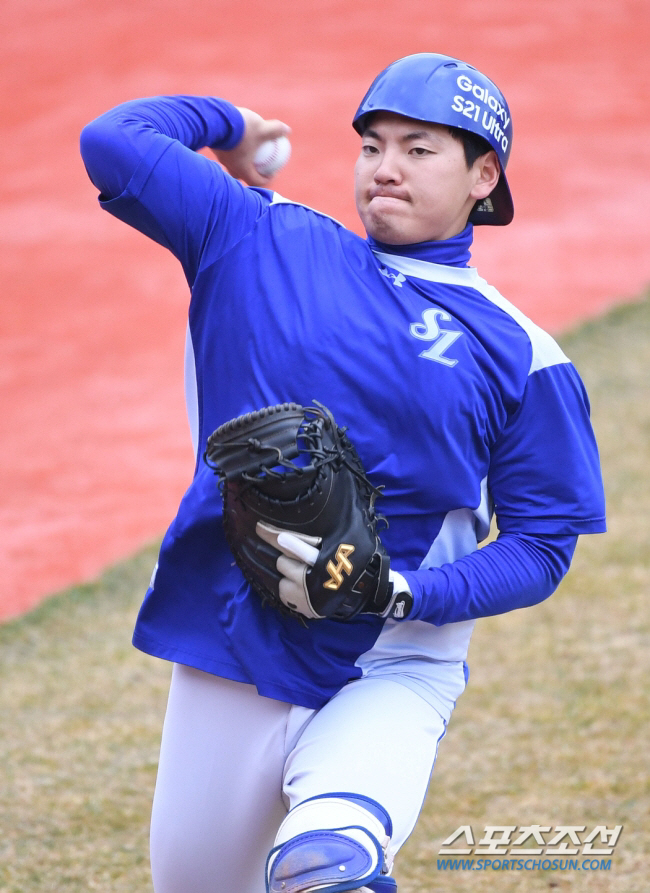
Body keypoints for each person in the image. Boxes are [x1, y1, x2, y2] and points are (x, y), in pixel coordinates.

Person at [80, 53, 606, 893]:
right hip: (232, 647)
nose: (386, 167)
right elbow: (114, 140)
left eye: (419, 148)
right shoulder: (258, 237)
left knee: (329, 864)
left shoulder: (522, 356)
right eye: (372, 145)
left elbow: (544, 544)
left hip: (390, 662)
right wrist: (233, 125)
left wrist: (402, 593)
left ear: (484, 174)